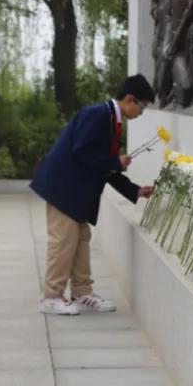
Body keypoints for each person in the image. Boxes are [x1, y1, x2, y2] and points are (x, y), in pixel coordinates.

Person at [30, 75, 156, 315]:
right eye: (143, 106)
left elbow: (105, 168)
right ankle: (51, 297)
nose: (142, 112)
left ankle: (82, 292)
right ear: (130, 99)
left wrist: (135, 190)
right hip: (64, 189)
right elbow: (81, 152)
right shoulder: (98, 115)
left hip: (76, 193)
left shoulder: (111, 120)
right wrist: (115, 161)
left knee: (80, 239)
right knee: (63, 242)